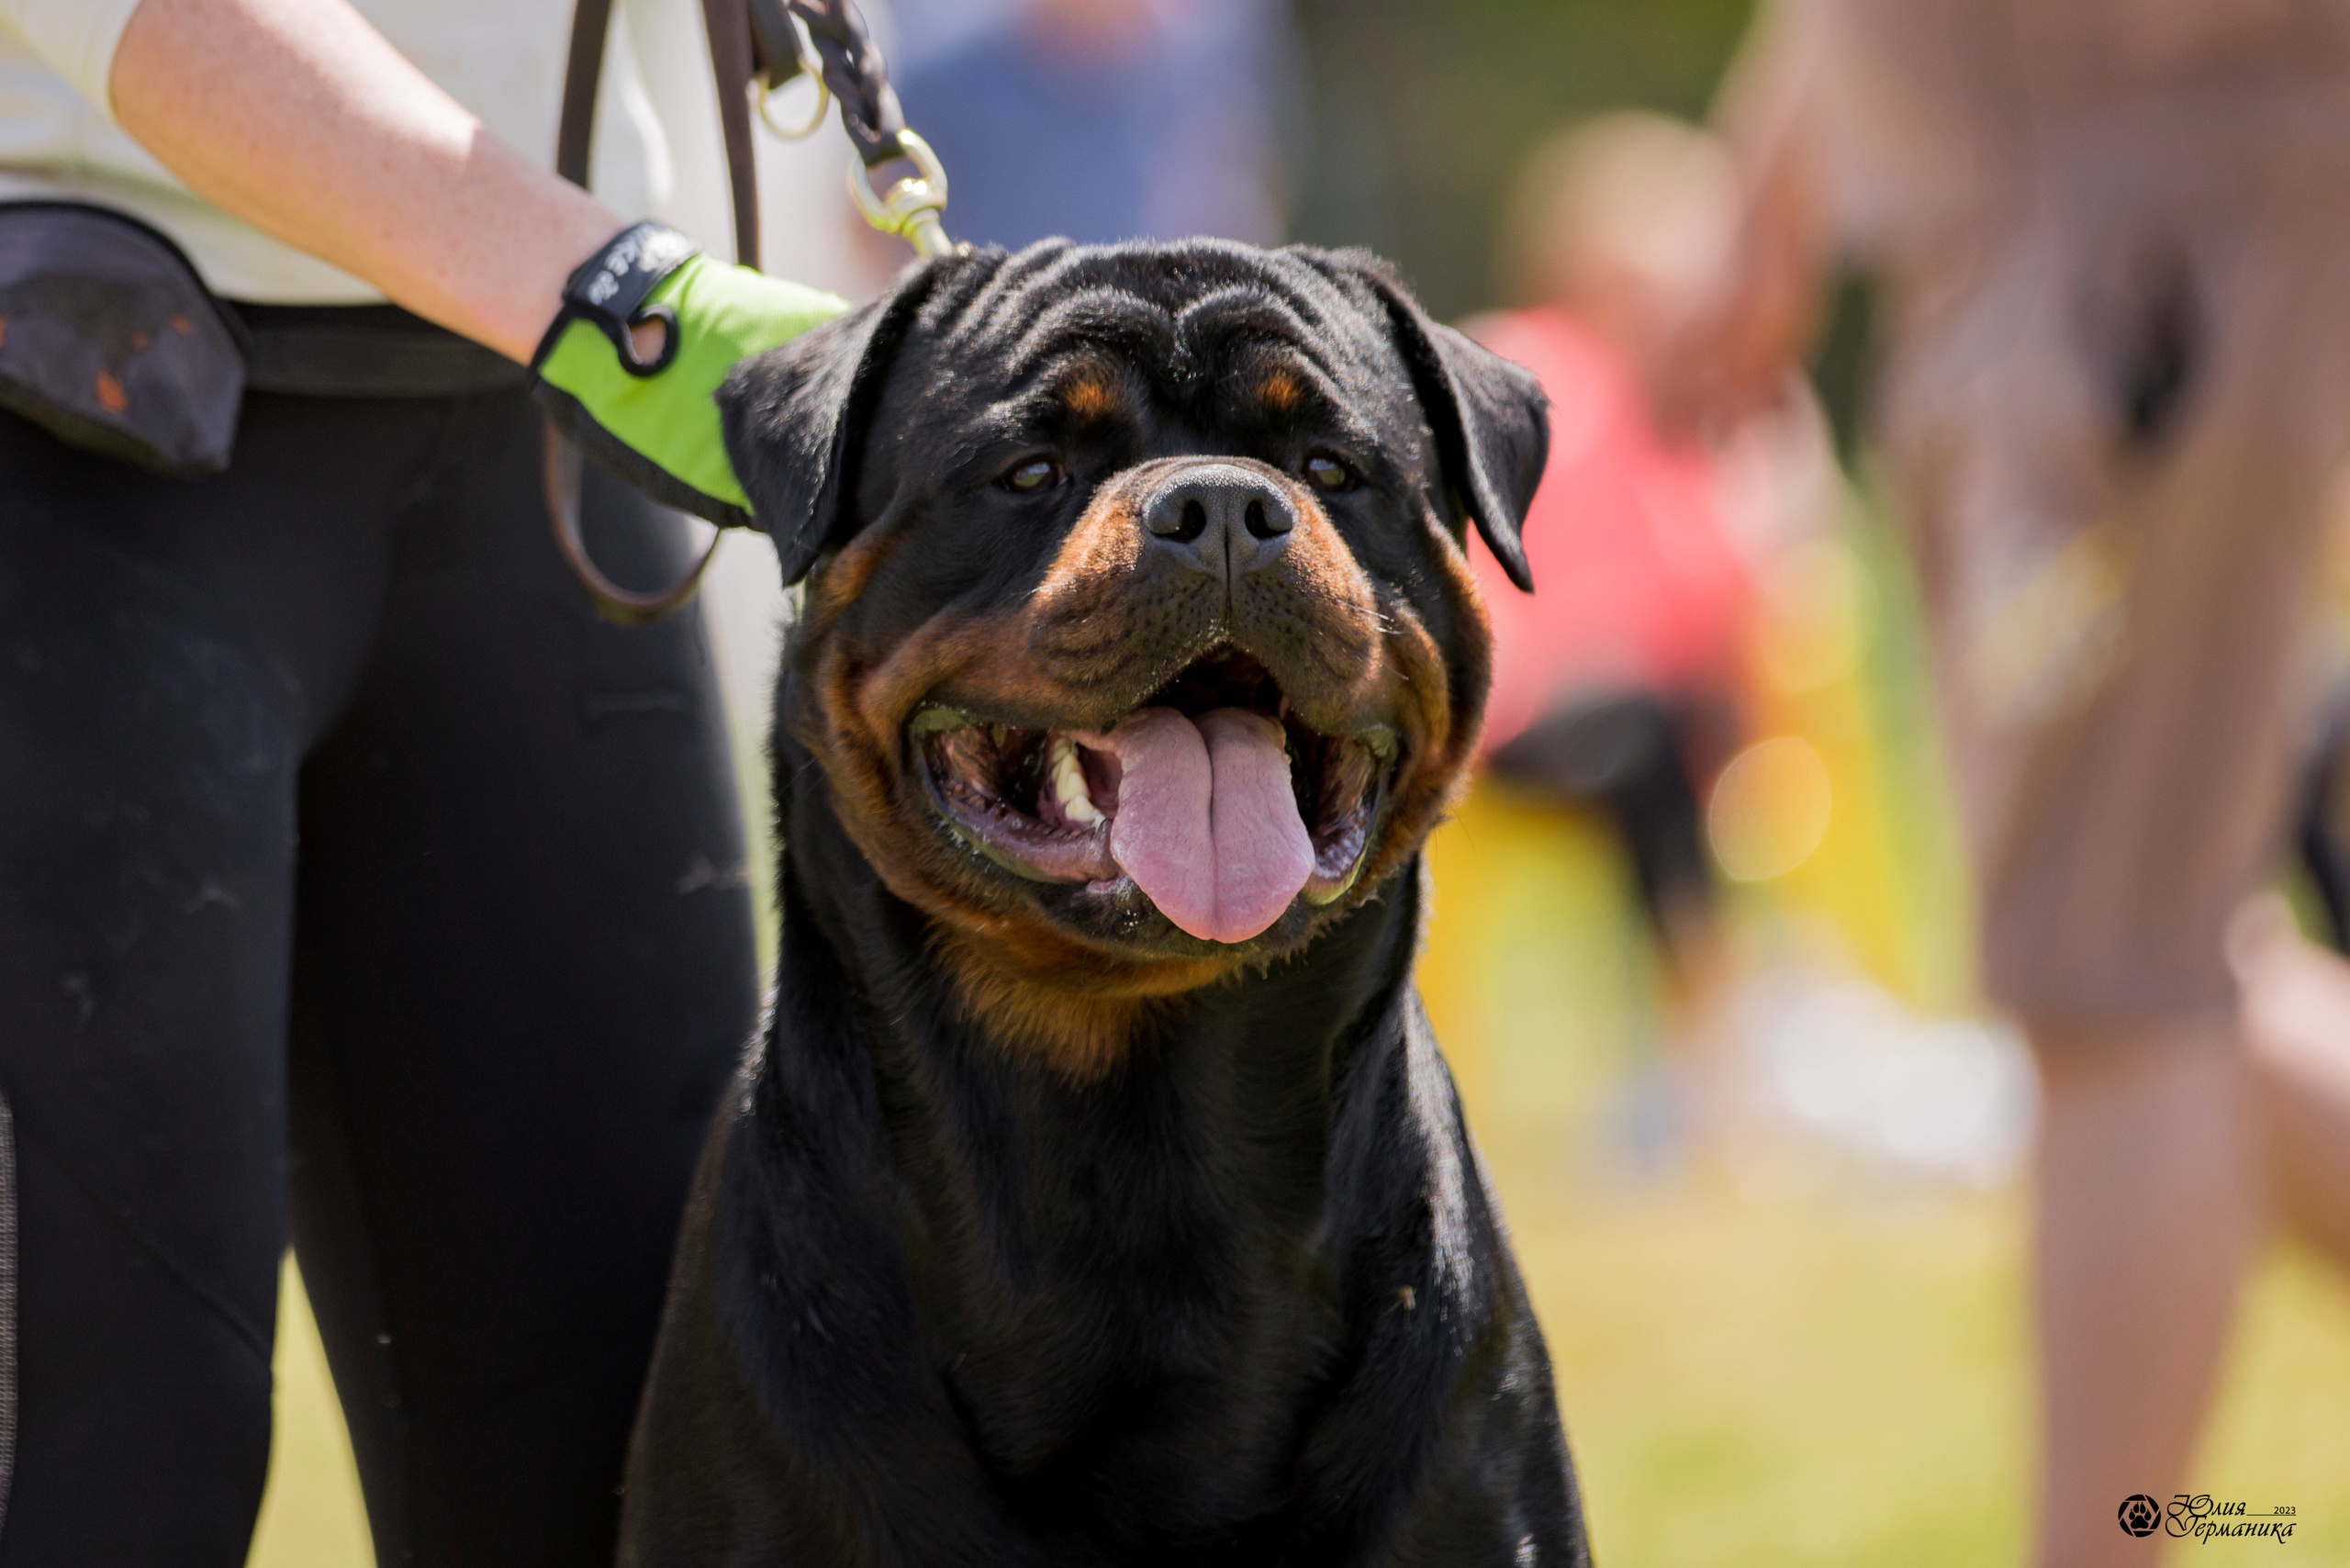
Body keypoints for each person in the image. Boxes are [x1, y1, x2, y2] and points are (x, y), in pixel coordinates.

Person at [0, 0, 850, 1561]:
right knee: (102, 1467)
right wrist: (624, 298)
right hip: (62, 386)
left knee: (625, 1466)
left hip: (540, 393)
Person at [1655, 4, 2350, 1562]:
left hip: (2145, 233)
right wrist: (1767, 195)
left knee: (2122, 992)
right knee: (2142, 960)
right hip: (2031, 233)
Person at [1463, 113, 1828, 1155]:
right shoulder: (1525, 372)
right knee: (1650, 733)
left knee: (1670, 731)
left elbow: (1724, 596)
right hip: (1513, 710)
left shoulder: (1687, 415)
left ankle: (1723, 1032)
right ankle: (1712, 1043)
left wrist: (1778, 465)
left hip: (1651, 714)